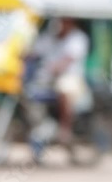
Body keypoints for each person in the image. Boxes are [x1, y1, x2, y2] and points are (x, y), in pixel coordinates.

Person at [25, 17, 92, 163]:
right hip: (45, 80)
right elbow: (33, 52)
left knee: (64, 88)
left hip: (71, 78)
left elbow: (69, 60)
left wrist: (55, 67)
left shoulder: (78, 38)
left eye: (63, 21)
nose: (60, 24)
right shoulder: (49, 37)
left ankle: (65, 128)